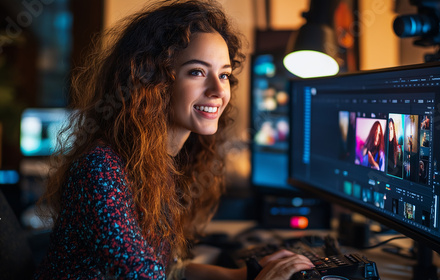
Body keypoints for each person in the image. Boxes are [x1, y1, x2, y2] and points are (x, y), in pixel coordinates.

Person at [34, 1, 314, 279]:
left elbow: (167, 270)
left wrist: (242, 275)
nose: (218, 90)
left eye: (225, 74)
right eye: (197, 72)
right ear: (152, 82)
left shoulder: (161, 162)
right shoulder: (100, 170)